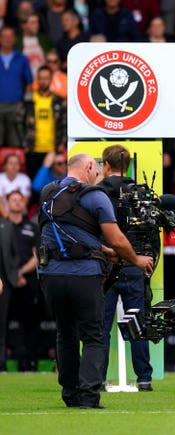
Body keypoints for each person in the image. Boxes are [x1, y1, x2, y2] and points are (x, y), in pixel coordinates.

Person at [38, 153, 154, 408]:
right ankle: (89, 396)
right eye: (96, 170)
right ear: (89, 167)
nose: (97, 175)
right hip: (85, 276)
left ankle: (70, 395)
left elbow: (65, 234)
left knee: (65, 334)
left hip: (51, 274)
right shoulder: (95, 195)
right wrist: (136, 260)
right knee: (93, 336)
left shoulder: (48, 192)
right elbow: (117, 239)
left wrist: (104, 252)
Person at [98, 145, 153, 392]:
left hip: (104, 266)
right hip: (134, 265)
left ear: (105, 165)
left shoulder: (94, 193)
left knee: (100, 326)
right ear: (128, 165)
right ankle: (144, 378)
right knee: (136, 323)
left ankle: (96, 378)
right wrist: (145, 261)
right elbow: (153, 233)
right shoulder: (142, 193)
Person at [5, 190, 40, 371]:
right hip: (5, 283)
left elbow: (37, 256)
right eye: (13, 200)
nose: (17, 203)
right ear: (7, 203)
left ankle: (29, 363)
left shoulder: (32, 227)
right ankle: (2, 363)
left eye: (20, 200)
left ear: (24, 204)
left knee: (30, 324)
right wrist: (11, 275)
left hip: (27, 282)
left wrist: (20, 272)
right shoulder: (2, 227)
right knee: (4, 323)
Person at [0, 26, 33, 148]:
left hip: (16, 106)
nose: (7, 39)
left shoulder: (22, 59)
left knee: (16, 142)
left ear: (14, 39)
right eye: (4, 36)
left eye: (10, 36)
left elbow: (29, 82)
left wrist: (24, 103)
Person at [0, 210, 19, 372]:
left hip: (5, 283)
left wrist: (12, 277)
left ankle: (1, 362)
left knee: (2, 324)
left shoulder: (7, 226)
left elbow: (15, 255)